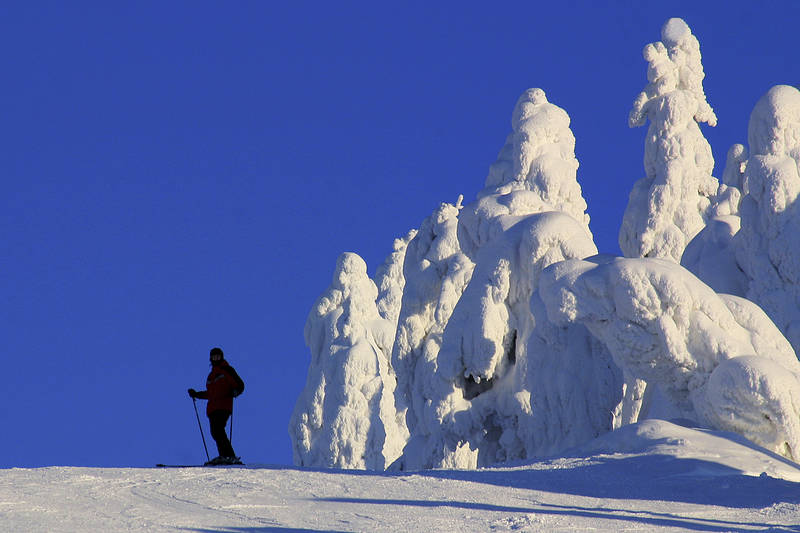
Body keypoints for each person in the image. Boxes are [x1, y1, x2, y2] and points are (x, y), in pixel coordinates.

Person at [188, 347, 245, 465]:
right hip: (212, 409)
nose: (216, 358)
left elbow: (240, 385)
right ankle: (224, 456)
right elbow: (210, 394)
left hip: (224, 406)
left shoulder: (227, 370)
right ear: (211, 358)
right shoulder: (211, 376)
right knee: (215, 432)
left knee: (218, 430)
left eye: (218, 356)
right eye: (214, 356)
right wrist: (196, 394)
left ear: (221, 357)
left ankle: (229, 456)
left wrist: (235, 392)